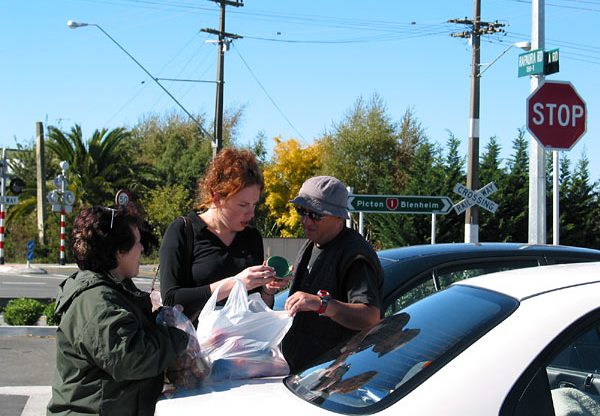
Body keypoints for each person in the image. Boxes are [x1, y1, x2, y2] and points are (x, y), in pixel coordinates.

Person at [47, 204, 189, 416]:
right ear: (120, 252)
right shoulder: (98, 302)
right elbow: (131, 358)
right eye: (138, 243)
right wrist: (176, 336)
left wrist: (157, 319)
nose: (142, 249)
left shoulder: (114, 290)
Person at [159, 147, 286, 321]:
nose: (251, 214)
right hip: (192, 343)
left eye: (254, 205)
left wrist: (268, 290)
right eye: (243, 205)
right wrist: (235, 283)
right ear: (217, 198)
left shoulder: (251, 237)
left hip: (241, 343)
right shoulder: (183, 231)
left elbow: (258, 308)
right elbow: (171, 299)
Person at [282, 175, 384, 373]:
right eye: (301, 210)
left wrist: (321, 304)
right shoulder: (313, 242)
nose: (305, 220)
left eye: (315, 215)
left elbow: (370, 317)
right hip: (302, 373)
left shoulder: (355, 255)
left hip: (334, 378)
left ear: (338, 216)